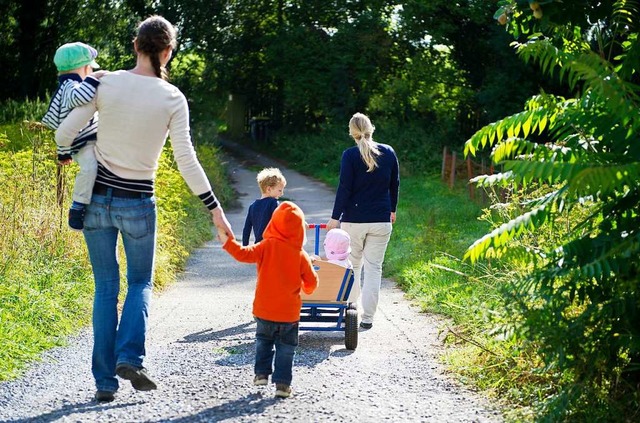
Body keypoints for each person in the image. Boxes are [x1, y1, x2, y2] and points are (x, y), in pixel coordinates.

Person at [55, 15, 233, 403]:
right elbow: (187, 159)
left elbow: (65, 132)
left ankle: (105, 382)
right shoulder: (173, 98)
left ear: (136, 46)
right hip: (138, 203)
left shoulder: (105, 82)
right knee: (139, 283)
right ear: (168, 52)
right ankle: (130, 357)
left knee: (105, 287)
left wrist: (69, 154)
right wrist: (214, 209)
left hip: (97, 201)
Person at [218, 201, 318, 399]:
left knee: (263, 342)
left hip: (264, 310)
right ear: (300, 229)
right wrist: (306, 288)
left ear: (273, 223)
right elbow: (312, 282)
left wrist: (227, 241)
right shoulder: (300, 255)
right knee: (286, 349)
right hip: (289, 313)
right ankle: (282, 385)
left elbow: (242, 254)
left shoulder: (265, 246)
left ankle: (261, 374)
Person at [326, 112, 399, 330]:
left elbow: (344, 188)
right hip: (381, 219)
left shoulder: (349, 155)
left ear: (352, 132)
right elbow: (394, 184)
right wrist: (392, 209)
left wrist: (334, 217)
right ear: (371, 128)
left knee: (353, 267)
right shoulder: (388, 152)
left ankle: (351, 311)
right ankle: (368, 318)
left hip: (354, 221)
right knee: (374, 268)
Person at [42, 42, 106, 230]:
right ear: (84, 68)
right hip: (83, 143)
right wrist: (93, 79)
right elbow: (80, 98)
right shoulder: (71, 85)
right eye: (90, 69)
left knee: (94, 167)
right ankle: (78, 206)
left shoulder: (66, 85)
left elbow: (63, 127)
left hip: (83, 139)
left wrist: (63, 154)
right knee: (89, 168)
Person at [242, 167, 286, 246]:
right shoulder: (273, 203)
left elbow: (246, 230)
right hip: (272, 246)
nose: (282, 193)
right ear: (269, 189)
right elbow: (280, 222)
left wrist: (245, 247)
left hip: (259, 247)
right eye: (280, 190)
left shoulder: (252, 207)